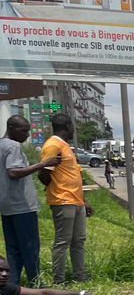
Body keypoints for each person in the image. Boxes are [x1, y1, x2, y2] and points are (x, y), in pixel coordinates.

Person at [1, 115, 59, 286]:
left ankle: (11, 285)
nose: (27, 134)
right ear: (11, 128)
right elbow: (13, 172)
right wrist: (43, 164)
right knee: (30, 247)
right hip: (22, 206)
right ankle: (36, 283)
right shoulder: (13, 146)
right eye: (24, 130)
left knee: (13, 248)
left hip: (6, 205)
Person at [37, 115, 91, 285]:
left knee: (78, 240)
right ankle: (59, 280)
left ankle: (79, 276)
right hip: (63, 200)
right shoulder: (53, 145)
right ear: (67, 126)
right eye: (73, 126)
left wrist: (84, 200)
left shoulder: (64, 145)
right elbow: (43, 173)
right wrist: (56, 188)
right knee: (63, 241)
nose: (74, 130)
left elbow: (72, 174)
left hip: (76, 200)